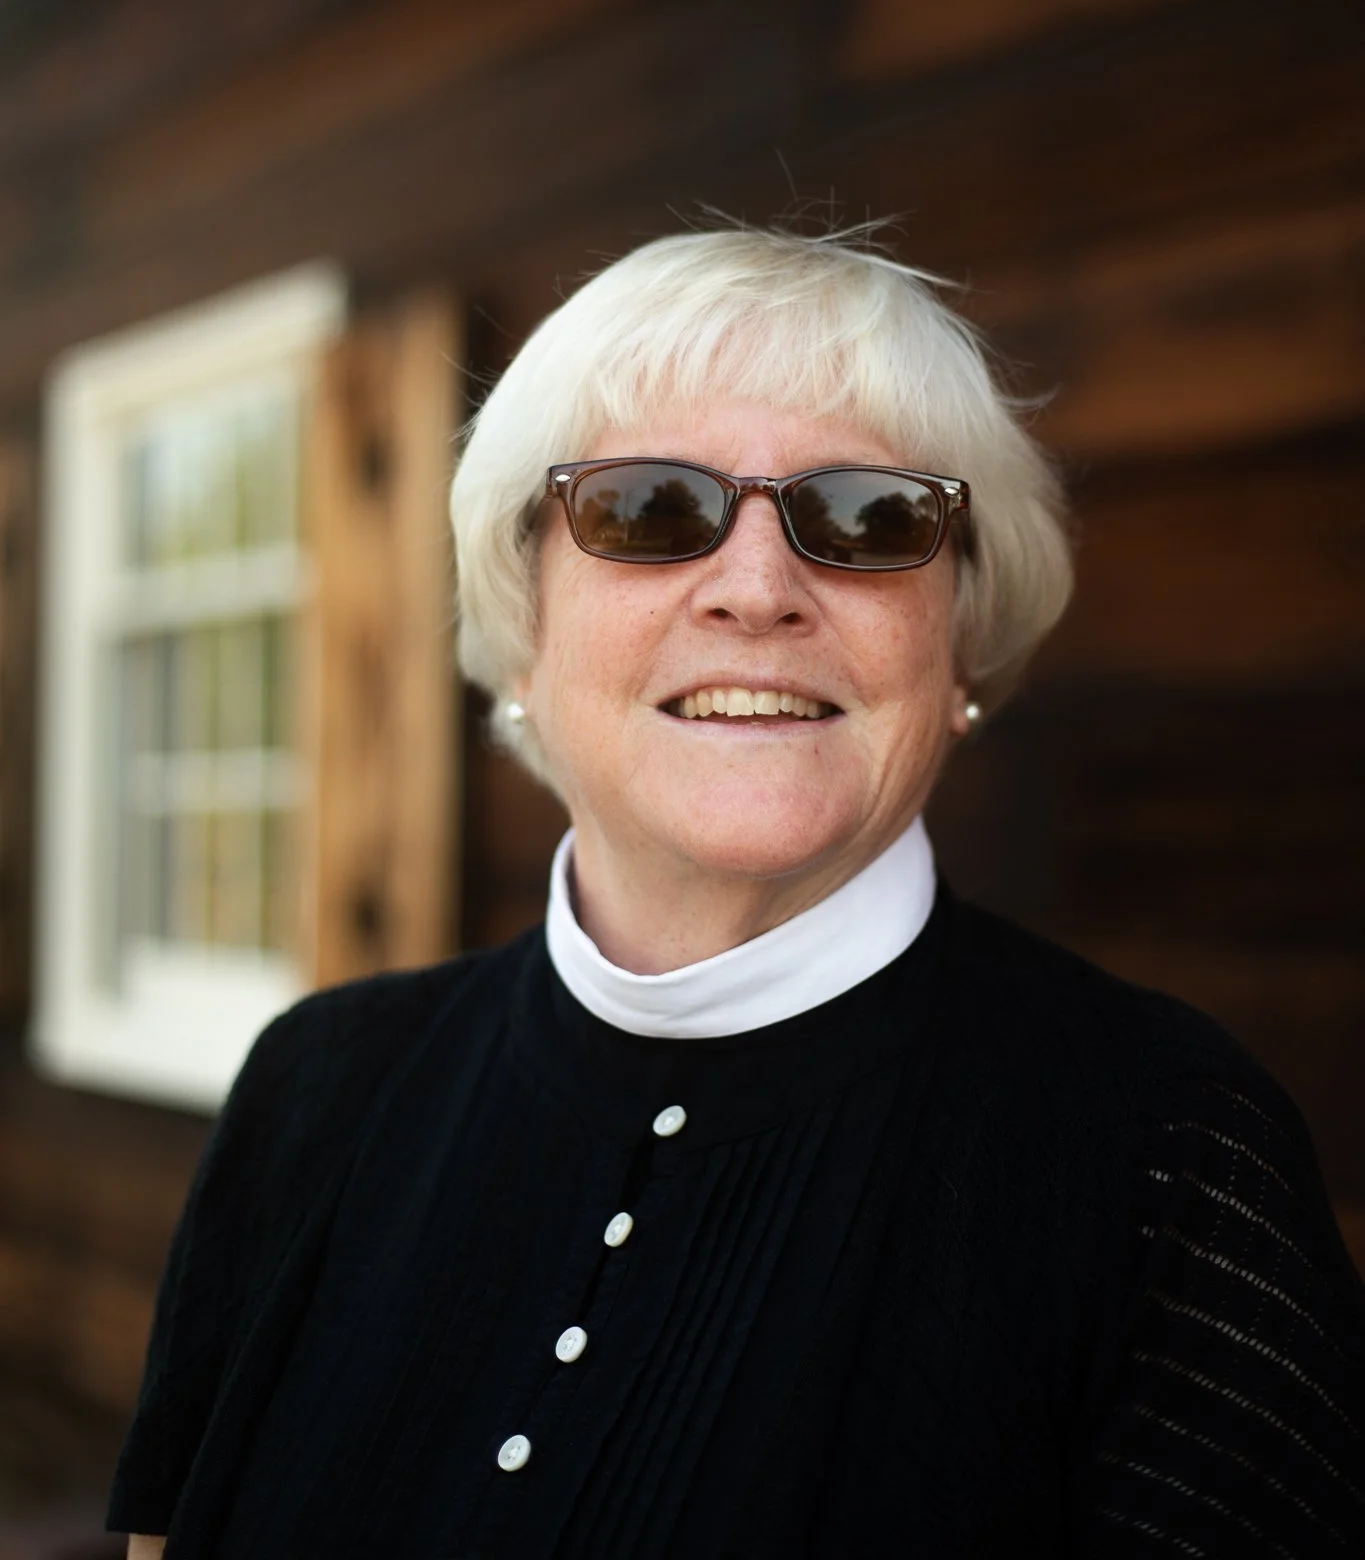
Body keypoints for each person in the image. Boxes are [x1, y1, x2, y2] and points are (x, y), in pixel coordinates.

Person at [113, 227, 1365, 1558]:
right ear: (523, 621)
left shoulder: (1168, 1151)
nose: (760, 590)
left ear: (959, 649)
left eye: (868, 517)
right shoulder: (314, 1089)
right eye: (649, 509)